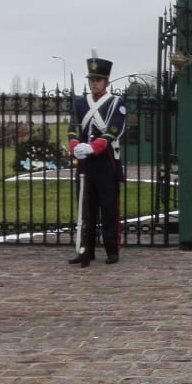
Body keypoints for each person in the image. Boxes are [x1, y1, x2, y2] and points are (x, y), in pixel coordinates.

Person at [67, 53, 126, 267]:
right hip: (85, 164)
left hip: (106, 162)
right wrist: (75, 146)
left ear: (106, 82)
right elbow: (73, 129)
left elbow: (114, 130)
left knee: (109, 208)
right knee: (86, 209)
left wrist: (93, 147)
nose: (94, 83)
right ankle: (86, 250)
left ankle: (112, 250)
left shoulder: (116, 103)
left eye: (98, 80)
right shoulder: (80, 103)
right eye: (92, 80)